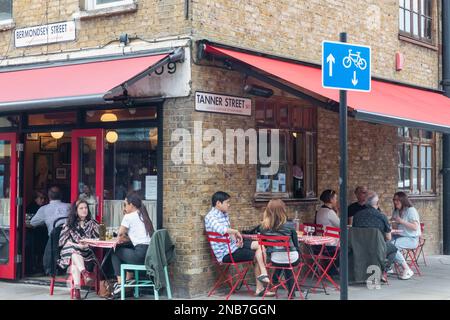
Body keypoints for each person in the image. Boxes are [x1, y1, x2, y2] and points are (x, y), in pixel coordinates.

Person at [205, 191, 273, 297]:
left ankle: (263, 274)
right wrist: (236, 231)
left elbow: (228, 233)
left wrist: (237, 239)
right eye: (227, 202)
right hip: (225, 253)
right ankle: (260, 288)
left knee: (260, 245)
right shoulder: (210, 217)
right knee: (257, 254)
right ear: (218, 203)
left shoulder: (224, 215)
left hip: (233, 247)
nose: (229, 204)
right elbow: (222, 230)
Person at [110, 191, 154, 298]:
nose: (124, 207)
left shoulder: (129, 216)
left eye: (125, 204)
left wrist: (121, 237)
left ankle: (121, 285)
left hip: (140, 255)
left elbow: (120, 234)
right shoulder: (143, 214)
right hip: (150, 255)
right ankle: (129, 281)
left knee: (114, 252)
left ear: (132, 205)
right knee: (126, 249)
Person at [58, 200, 99, 299]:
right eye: (81, 208)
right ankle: (85, 274)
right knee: (74, 251)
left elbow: (98, 239)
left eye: (86, 208)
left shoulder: (92, 223)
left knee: (75, 262)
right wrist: (77, 245)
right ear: (76, 211)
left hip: (85, 253)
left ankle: (77, 289)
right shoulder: (69, 223)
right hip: (69, 251)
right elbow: (62, 241)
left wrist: (87, 242)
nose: (84, 210)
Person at [352, 191, 398, 282]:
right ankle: (383, 271)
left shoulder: (357, 215)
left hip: (359, 247)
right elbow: (388, 237)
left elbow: (354, 231)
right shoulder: (381, 216)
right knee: (393, 249)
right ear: (377, 203)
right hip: (377, 248)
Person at [260, 199, 300, 298]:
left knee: (282, 263)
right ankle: (291, 293)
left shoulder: (264, 227)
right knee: (288, 263)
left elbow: (266, 245)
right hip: (292, 258)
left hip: (275, 259)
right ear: (283, 210)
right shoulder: (290, 225)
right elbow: (296, 245)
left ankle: (273, 285)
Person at [389, 191, 420, 280]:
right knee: (385, 243)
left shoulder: (411, 210)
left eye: (398, 200)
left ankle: (407, 269)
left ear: (403, 200)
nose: (395, 202)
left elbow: (415, 227)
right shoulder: (396, 211)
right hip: (399, 236)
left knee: (392, 246)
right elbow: (396, 227)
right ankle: (388, 267)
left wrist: (401, 221)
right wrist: (393, 223)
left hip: (412, 238)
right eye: (394, 200)